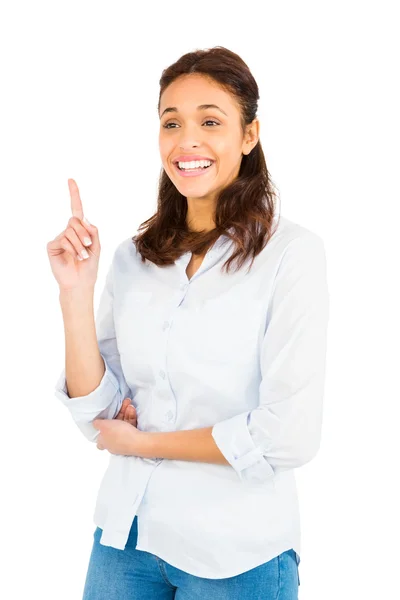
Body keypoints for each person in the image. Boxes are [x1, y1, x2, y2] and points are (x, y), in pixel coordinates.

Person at [48, 46, 329, 599]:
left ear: (249, 135)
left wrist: (144, 443)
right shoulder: (134, 258)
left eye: (210, 121)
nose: (187, 140)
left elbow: (287, 436)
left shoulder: (291, 255)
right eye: (171, 122)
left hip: (237, 551)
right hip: (126, 540)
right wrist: (75, 294)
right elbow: (99, 415)